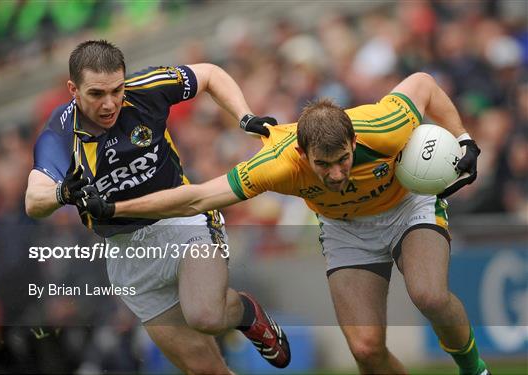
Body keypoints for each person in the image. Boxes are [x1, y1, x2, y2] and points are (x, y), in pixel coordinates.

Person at [82, 72, 490, 375]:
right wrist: (117, 209)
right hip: (345, 228)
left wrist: (465, 138)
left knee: (429, 295)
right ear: (302, 153)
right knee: (366, 349)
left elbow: (424, 82)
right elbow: (199, 197)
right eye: (322, 165)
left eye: (343, 159)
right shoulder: (276, 162)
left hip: (406, 208)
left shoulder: (383, 124)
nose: (334, 174)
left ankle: (475, 370)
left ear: (352, 141)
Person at [24, 40, 291, 373]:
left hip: (181, 220)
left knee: (205, 315)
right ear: (72, 89)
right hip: (127, 254)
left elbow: (208, 74)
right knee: (204, 370)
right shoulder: (60, 132)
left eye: (116, 90)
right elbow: (33, 200)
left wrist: (244, 115)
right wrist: (63, 193)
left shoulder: (147, 90)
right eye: (96, 94)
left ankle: (246, 312)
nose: (109, 104)